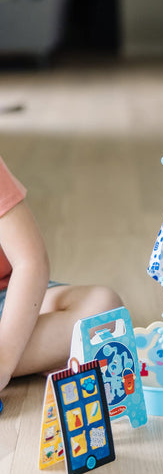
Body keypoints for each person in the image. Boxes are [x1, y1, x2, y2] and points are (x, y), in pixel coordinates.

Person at [0, 156, 122, 393]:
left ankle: (21, 357)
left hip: (9, 295)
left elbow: (30, 262)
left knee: (104, 310)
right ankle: (49, 355)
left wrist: (4, 360)